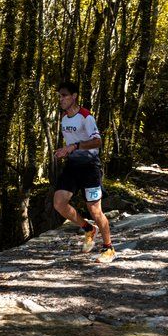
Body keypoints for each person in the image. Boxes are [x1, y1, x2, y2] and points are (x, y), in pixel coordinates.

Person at [53, 81, 116, 263]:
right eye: (59, 96)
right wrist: (64, 150)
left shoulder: (86, 117)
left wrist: (74, 146)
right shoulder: (64, 118)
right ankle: (88, 229)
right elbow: (71, 143)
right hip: (73, 166)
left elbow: (97, 142)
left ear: (74, 96)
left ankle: (109, 248)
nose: (61, 99)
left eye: (64, 95)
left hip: (90, 167)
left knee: (95, 210)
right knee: (59, 203)